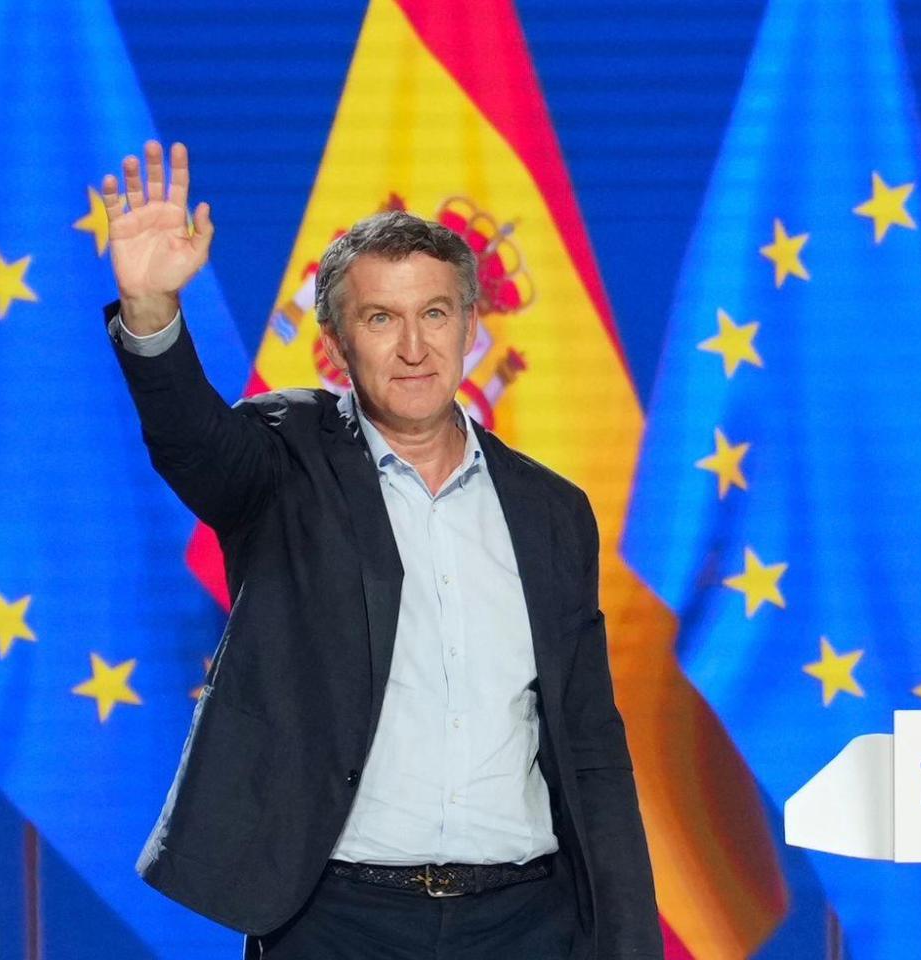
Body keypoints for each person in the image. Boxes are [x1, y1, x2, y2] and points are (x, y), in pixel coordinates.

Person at [101, 140, 662, 959]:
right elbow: (193, 445)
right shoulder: (284, 461)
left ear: (470, 325)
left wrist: (627, 939)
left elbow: (590, 744)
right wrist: (151, 311)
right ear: (337, 339)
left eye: (435, 313)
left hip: (528, 921)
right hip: (338, 923)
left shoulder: (551, 511)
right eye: (381, 318)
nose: (413, 347)